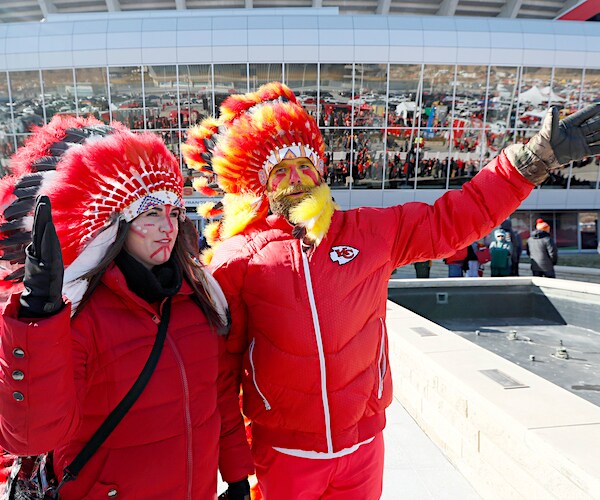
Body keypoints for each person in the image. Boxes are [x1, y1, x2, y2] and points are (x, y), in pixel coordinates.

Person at [181, 82, 600, 499]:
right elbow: (220, 374)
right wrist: (236, 471)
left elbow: (454, 218)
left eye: (305, 165)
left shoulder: (371, 231)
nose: (297, 179)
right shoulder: (237, 259)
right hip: (285, 454)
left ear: (322, 171)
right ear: (262, 186)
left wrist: (527, 165)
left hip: (363, 447)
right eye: (280, 171)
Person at [0, 116, 253, 499]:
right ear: (113, 224)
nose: (167, 228)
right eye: (150, 213)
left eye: (173, 213)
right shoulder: (80, 317)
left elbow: (220, 400)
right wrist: (38, 318)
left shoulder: (199, 300)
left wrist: (236, 477)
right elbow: (30, 435)